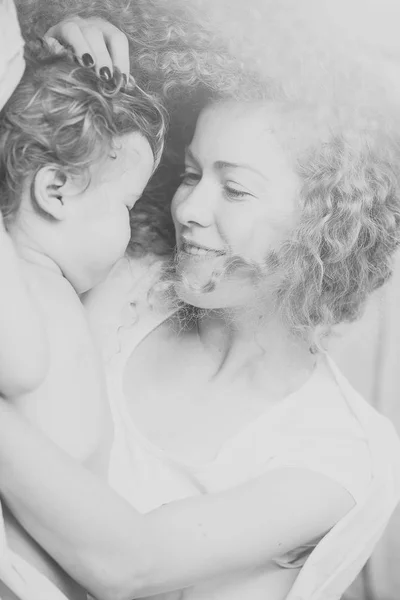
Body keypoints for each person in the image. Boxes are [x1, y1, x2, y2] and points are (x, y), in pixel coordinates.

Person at [0, 10, 399, 600]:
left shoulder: (337, 449)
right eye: (190, 174)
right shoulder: (130, 283)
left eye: (234, 188)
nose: (188, 209)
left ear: (324, 227)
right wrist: (41, 69)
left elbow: (128, 567)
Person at [0, 35, 165, 599]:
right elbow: (18, 365)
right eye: (126, 207)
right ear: (56, 191)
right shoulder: (18, 274)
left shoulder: (55, 288)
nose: (130, 229)